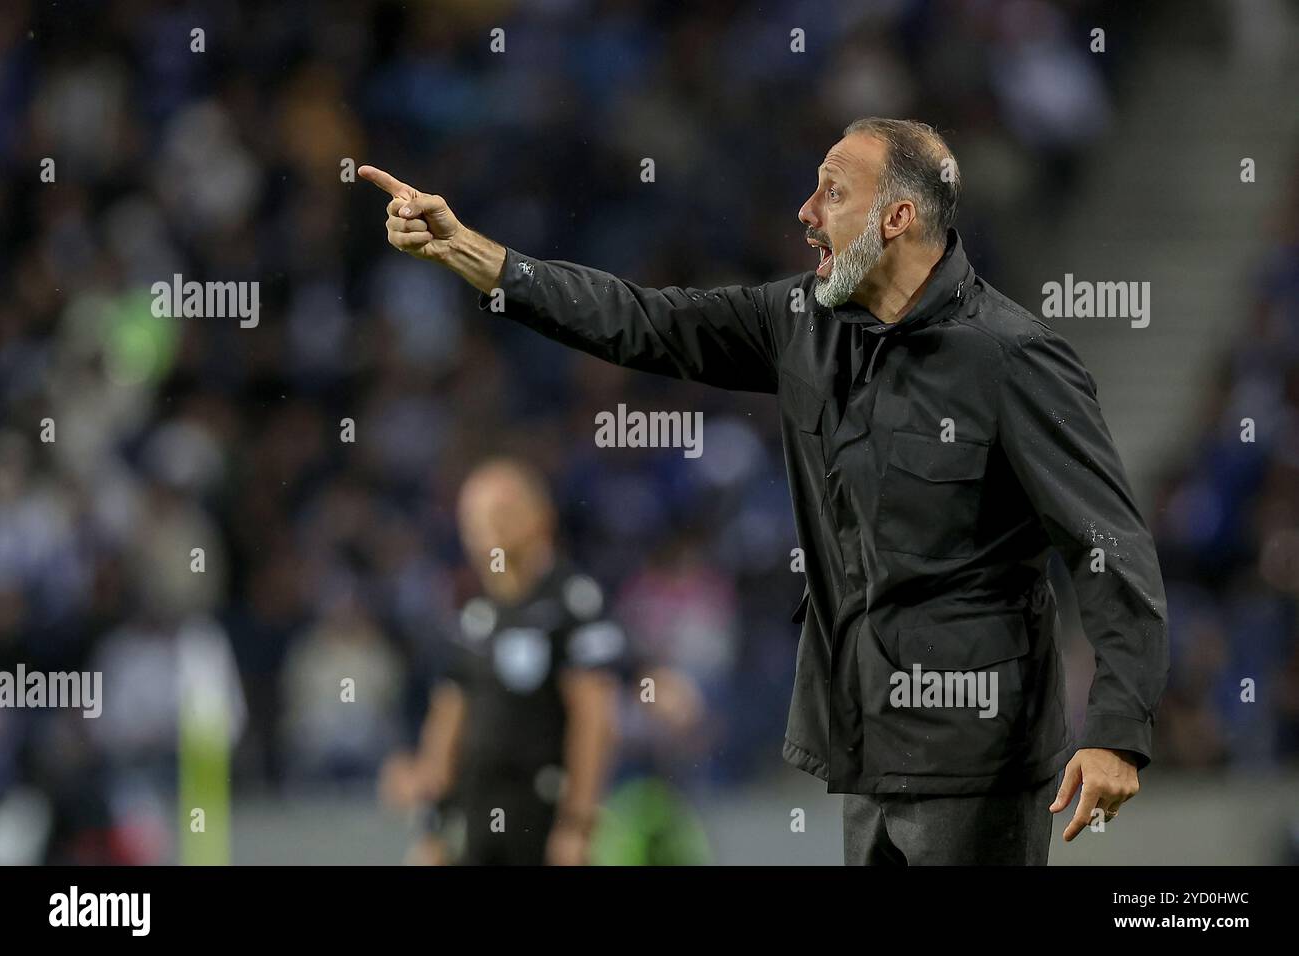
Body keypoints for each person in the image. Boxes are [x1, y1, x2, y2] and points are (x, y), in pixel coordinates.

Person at [360, 116, 1169, 865]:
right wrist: (475, 254)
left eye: (833, 191)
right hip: (863, 744)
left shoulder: (1012, 359)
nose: (806, 210)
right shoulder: (801, 321)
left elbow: (1107, 545)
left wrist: (1118, 731)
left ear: (897, 220)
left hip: (976, 754)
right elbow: (642, 321)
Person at [381, 458, 622, 865]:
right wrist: (428, 814)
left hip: (540, 815)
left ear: (541, 517)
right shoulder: (474, 617)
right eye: (472, 517)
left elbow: (594, 717)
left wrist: (577, 824)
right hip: (474, 817)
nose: (485, 529)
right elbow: (448, 721)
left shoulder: (572, 603)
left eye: (501, 513)